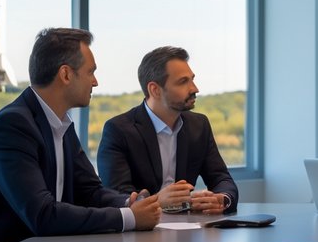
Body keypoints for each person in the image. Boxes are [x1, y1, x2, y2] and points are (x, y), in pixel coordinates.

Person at [0, 28, 161, 242]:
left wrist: (128, 202)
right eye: (90, 72)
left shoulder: (60, 123)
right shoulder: (12, 126)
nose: (95, 82)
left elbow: (89, 191)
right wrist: (129, 218)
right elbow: (43, 215)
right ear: (66, 74)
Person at [98, 46, 238, 214]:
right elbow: (117, 196)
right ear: (155, 90)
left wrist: (223, 199)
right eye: (183, 82)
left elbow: (221, 178)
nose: (195, 89)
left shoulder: (199, 125)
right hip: (140, 228)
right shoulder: (118, 130)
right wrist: (157, 202)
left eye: (192, 79)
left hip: (189, 225)